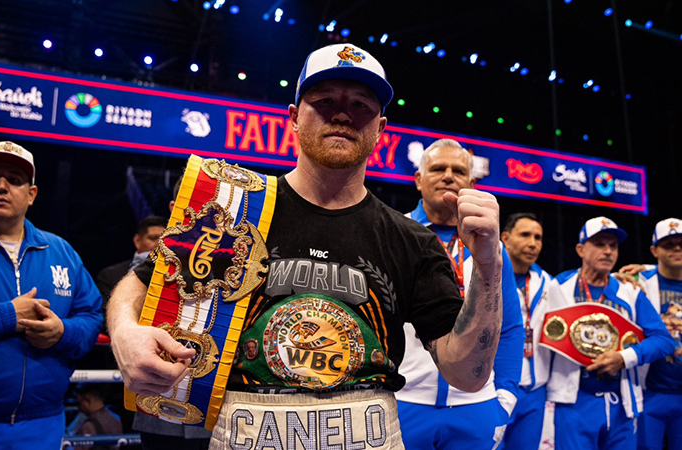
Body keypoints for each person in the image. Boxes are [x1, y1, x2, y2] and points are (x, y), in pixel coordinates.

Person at [107, 43, 504, 450]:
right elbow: (139, 284)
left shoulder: (412, 240)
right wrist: (123, 333)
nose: (343, 114)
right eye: (325, 100)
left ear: (380, 129)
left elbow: (467, 375)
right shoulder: (235, 209)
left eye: (361, 105)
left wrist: (489, 266)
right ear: (295, 117)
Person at [395, 139, 523, 450]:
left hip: (476, 405)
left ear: (471, 183)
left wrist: (504, 398)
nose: (448, 176)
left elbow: (509, 327)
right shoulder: (394, 233)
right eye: (438, 168)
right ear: (418, 180)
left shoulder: (492, 246)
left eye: (458, 171)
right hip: (402, 400)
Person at [0, 140, 103, 449]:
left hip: (44, 424)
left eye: (14, 180)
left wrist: (62, 332)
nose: (1, 186)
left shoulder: (61, 251)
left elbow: (92, 316)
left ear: (32, 194)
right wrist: (7, 316)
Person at [545, 216, 676, 450]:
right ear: (580, 249)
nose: (607, 251)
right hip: (574, 402)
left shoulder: (629, 290)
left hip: (621, 403)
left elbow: (663, 340)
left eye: (613, 246)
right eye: (599, 244)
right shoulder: (558, 287)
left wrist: (624, 358)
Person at [127, 179, 212, 450]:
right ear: (175, 207)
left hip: (216, 402)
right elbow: (123, 306)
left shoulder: (239, 259)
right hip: (157, 400)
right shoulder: (154, 259)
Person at [620, 218, 682, 450]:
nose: (677, 249)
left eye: (681, 244)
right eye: (669, 245)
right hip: (650, 392)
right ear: (655, 250)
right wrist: (630, 274)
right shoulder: (636, 283)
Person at [500, 213, 552, 450]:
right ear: (505, 238)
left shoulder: (549, 283)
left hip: (534, 391)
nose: (533, 243)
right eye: (525, 235)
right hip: (494, 387)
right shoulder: (481, 275)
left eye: (538, 237)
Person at [96, 215, 166, 305]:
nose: (159, 244)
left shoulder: (177, 273)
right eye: (153, 238)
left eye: (164, 240)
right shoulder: (110, 275)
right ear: (137, 241)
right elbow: (105, 311)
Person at [74, 384, 123, 450]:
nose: (79, 407)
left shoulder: (88, 425)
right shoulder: (116, 418)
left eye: (79, 403)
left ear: (88, 400)